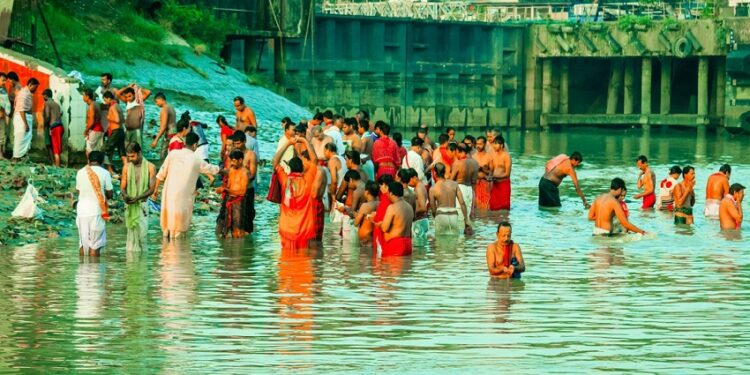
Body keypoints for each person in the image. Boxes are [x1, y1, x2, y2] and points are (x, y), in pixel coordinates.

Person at [151, 133, 220, 239]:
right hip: (182, 198)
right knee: (178, 230)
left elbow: (160, 174)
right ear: (195, 145)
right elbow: (211, 169)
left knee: (167, 228)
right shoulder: (196, 159)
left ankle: (166, 252)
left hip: (169, 195)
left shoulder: (172, 154)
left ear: (185, 142)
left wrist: (155, 191)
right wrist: (224, 170)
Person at [272, 135, 319, 249]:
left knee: (286, 261)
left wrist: (288, 143)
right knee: (302, 261)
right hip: (304, 228)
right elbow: (314, 160)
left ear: (290, 168)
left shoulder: (285, 180)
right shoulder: (307, 180)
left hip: (286, 227)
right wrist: (304, 140)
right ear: (302, 167)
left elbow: (275, 161)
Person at [75, 151, 113, 256]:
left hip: (81, 212)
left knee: (82, 244)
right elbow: (110, 194)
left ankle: (82, 270)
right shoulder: (105, 173)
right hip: (96, 212)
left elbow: (78, 191)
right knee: (95, 246)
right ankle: (94, 270)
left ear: (89, 161)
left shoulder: (80, 172)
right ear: (101, 162)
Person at [120, 143, 156, 251]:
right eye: (129, 157)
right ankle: (131, 265)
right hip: (130, 205)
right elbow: (123, 186)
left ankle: (142, 265)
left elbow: (151, 189)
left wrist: (138, 198)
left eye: (133, 156)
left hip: (143, 205)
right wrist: (125, 195)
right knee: (130, 239)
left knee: (142, 237)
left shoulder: (150, 167)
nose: (130, 159)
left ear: (139, 153)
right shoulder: (126, 167)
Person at [429, 163, 471, 235]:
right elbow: (462, 203)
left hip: (441, 215)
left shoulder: (433, 189)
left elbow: (433, 208)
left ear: (435, 173)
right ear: (445, 172)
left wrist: (436, 217)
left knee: (440, 243)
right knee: (454, 243)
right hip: (453, 216)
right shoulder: (454, 184)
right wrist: (466, 219)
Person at [229, 130, 258, 234]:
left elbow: (253, 174)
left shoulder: (251, 155)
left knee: (248, 217)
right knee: (234, 218)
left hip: (248, 190)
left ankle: (248, 246)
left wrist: (243, 179)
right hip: (234, 191)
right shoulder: (233, 154)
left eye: (238, 143)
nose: (236, 145)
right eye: (235, 143)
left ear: (245, 141)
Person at [374, 182, 414, 257]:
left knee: (393, 267)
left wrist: (379, 224)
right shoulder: (409, 207)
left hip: (396, 244)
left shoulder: (392, 208)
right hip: (408, 243)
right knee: (406, 268)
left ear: (391, 193)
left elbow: (385, 228)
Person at [216, 150, 250, 238]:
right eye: (231, 161)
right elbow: (229, 185)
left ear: (240, 160)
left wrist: (226, 190)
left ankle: (239, 248)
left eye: (234, 161)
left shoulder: (245, 173)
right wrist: (223, 189)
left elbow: (242, 192)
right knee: (226, 228)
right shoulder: (231, 170)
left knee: (238, 227)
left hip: (239, 202)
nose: (232, 163)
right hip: (229, 199)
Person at [12, 77, 38, 161]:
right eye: (35, 87)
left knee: (24, 138)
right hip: (22, 119)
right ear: (30, 85)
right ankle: (16, 157)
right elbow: (21, 109)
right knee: (20, 137)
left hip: (26, 117)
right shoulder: (23, 94)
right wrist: (25, 123)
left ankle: (22, 157)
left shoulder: (27, 93)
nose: (36, 89)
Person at [450, 144, 478, 221]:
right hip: (469, 190)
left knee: (459, 216)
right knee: (467, 216)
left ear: (459, 151)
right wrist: (473, 208)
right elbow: (474, 185)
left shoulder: (458, 163)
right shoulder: (475, 163)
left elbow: (451, 181)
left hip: (460, 189)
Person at [101, 91, 126, 176]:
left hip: (115, 131)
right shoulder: (118, 105)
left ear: (108, 98)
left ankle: (110, 170)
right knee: (122, 152)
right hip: (121, 131)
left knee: (105, 150)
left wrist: (109, 118)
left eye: (105, 100)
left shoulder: (112, 107)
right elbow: (123, 120)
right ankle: (127, 169)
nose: (104, 102)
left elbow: (118, 120)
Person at [489, 135, 512, 210]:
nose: (494, 146)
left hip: (504, 185)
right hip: (495, 185)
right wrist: (489, 177)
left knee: (504, 208)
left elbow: (507, 174)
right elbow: (491, 170)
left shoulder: (506, 156)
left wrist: (495, 177)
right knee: (493, 208)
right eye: (493, 144)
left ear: (501, 145)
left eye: (496, 144)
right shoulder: (493, 155)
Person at [151, 92, 176, 159]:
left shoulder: (164, 109)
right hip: (174, 132)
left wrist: (156, 140)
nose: (156, 104)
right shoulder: (170, 106)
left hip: (169, 133)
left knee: (163, 153)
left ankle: (163, 167)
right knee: (171, 153)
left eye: (156, 101)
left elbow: (164, 126)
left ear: (161, 99)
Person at [42, 89, 63, 166]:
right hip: (60, 126)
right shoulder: (56, 104)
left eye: (43, 96)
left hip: (54, 127)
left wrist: (44, 125)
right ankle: (56, 164)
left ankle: (56, 166)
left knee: (55, 149)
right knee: (56, 147)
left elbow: (47, 116)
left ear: (45, 96)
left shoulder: (47, 103)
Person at [83, 88, 104, 157]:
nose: (83, 97)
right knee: (98, 151)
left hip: (94, 130)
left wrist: (86, 131)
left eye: (84, 95)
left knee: (89, 151)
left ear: (87, 97)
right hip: (100, 129)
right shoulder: (97, 104)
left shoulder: (91, 106)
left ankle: (90, 166)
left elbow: (91, 122)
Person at [408, 168, 429, 237]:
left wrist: (412, 212)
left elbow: (423, 208)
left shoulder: (419, 188)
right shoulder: (420, 186)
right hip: (421, 221)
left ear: (414, 177)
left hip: (420, 221)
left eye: (409, 181)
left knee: (418, 246)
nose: (408, 183)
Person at [472, 136, 492, 210]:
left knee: (485, 207)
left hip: (485, 184)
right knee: (475, 206)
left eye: (480, 144)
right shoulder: (473, 157)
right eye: (477, 144)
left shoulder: (489, 157)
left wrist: (483, 169)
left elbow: (492, 172)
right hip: (475, 184)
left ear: (485, 144)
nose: (478, 146)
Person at [0, 73, 9, 159]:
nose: (4, 82)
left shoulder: (3, 91)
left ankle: (1, 154)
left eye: (5, 81)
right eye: (3, 80)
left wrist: (5, 112)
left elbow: (6, 103)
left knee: (2, 135)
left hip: (2, 116)